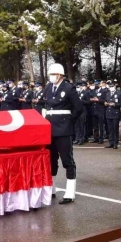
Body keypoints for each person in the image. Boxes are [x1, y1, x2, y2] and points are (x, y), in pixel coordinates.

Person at [43, 64, 83, 204]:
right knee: (50, 159)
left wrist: (69, 121)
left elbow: (79, 108)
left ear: (60, 75)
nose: (51, 77)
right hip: (50, 128)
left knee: (67, 160)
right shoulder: (48, 87)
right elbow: (45, 104)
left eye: (53, 74)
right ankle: (51, 189)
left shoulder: (68, 88)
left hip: (63, 129)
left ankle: (70, 193)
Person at [104, 80, 121, 149]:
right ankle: (110, 142)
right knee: (110, 129)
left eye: (112, 86)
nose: (111, 87)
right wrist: (105, 103)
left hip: (115, 113)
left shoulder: (119, 94)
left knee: (115, 129)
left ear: (115, 86)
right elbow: (106, 101)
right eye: (110, 86)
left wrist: (115, 104)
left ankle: (115, 143)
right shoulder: (107, 94)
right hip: (108, 113)